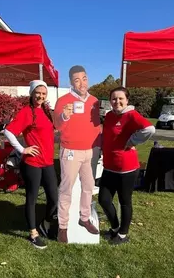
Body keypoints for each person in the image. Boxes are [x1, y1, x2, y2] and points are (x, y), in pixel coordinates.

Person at [4, 80, 58, 249]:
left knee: (54, 199)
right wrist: (22, 149)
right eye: (37, 93)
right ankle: (34, 233)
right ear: (32, 93)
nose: (40, 96)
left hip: (48, 162)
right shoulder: (27, 112)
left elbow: (49, 134)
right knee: (32, 199)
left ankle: (45, 223)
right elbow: (8, 131)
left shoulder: (46, 111)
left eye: (43, 93)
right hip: (32, 163)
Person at [98, 87, 155, 245]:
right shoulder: (109, 115)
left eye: (120, 98)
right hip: (109, 166)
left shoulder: (131, 115)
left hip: (126, 168)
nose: (117, 102)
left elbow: (150, 129)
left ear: (127, 100)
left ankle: (123, 234)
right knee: (104, 199)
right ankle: (116, 227)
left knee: (125, 201)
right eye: (114, 99)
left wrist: (132, 141)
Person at [54, 65, 101, 243]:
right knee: (66, 190)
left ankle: (84, 218)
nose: (81, 83)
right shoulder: (63, 101)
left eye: (84, 78)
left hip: (89, 151)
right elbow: (57, 125)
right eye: (77, 80)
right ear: (71, 83)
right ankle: (63, 227)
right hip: (70, 151)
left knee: (88, 187)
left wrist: (99, 146)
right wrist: (64, 116)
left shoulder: (94, 101)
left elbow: (96, 126)